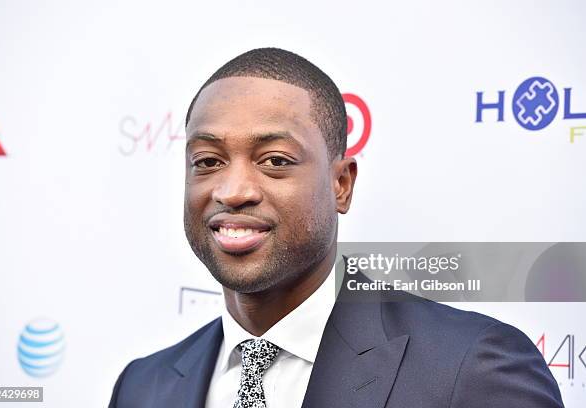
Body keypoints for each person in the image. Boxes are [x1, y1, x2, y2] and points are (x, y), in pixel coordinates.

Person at [109, 47, 564, 408]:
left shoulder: (472, 369)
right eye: (207, 161)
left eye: (275, 161)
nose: (233, 191)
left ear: (341, 184)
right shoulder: (143, 387)